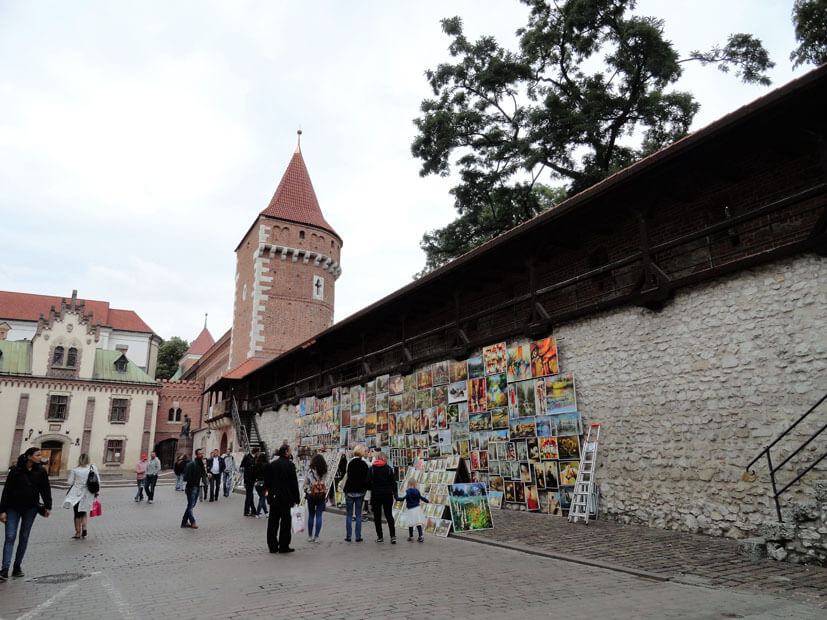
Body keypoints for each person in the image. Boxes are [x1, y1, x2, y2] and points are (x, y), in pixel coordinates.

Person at [0, 447, 52, 580]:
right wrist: (2, 510)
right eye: (37, 455)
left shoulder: (41, 471)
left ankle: (17, 567)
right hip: (13, 508)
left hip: (31, 509)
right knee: (10, 537)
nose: (40, 457)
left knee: (24, 537)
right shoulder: (16, 471)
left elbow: (45, 489)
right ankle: (5, 569)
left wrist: (48, 506)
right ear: (29, 457)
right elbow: (7, 491)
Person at [263, 444, 299, 553]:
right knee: (285, 522)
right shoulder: (290, 465)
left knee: (273, 523)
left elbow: (267, 482)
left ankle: (272, 546)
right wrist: (296, 498)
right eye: (290, 451)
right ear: (287, 452)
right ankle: (284, 545)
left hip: (274, 498)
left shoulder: (272, 465)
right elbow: (294, 483)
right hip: (286, 498)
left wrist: (270, 494)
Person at [63, 453, 99, 539]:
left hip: (76, 492)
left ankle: (78, 532)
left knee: (76, 513)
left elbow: (70, 482)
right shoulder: (92, 468)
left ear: (79, 459)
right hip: (88, 492)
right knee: (83, 511)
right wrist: (97, 491)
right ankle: (84, 528)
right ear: (88, 460)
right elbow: (98, 481)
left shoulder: (75, 470)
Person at [368, 451, 397, 544]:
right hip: (388, 494)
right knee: (389, 515)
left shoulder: (372, 469)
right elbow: (394, 483)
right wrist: (395, 494)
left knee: (377, 516)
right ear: (384, 458)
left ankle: (380, 537)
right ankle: (393, 536)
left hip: (376, 494)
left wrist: (373, 488)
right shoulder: (388, 469)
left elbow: (367, 483)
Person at [343, 445, 369, 543]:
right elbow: (366, 479)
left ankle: (348, 536)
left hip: (349, 491)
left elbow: (348, 475)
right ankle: (358, 536)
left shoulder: (350, 463)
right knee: (358, 515)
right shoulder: (364, 464)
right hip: (360, 492)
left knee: (349, 515)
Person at [302, 453, 328, 542]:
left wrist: (306, 489)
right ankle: (316, 536)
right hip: (321, 494)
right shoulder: (325, 470)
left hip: (311, 494)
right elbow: (325, 482)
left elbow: (305, 483)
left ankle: (310, 536)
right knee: (319, 515)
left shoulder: (310, 470)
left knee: (311, 515)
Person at [181, 449, 207, 529]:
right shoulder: (192, 464)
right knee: (191, 505)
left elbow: (203, 473)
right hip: (191, 487)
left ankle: (184, 522)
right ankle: (193, 522)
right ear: (196, 455)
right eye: (199, 454)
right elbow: (185, 477)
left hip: (197, 487)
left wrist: (207, 475)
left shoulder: (200, 464)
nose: (201, 455)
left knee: (191, 505)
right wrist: (192, 480)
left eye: (202, 454)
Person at [240, 447, 259, 517]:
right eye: (258, 452)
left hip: (252, 480)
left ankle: (253, 510)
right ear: (256, 452)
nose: (258, 454)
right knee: (249, 495)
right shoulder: (248, 458)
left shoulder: (254, 458)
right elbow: (242, 466)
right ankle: (246, 511)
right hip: (248, 480)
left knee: (250, 495)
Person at [254, 452, 269, 518]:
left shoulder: (256, 464)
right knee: (263, 498)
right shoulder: (266, 465)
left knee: (262, 498)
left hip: (257, 483)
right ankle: (257, 513)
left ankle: (266, 512)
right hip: (264, 483)